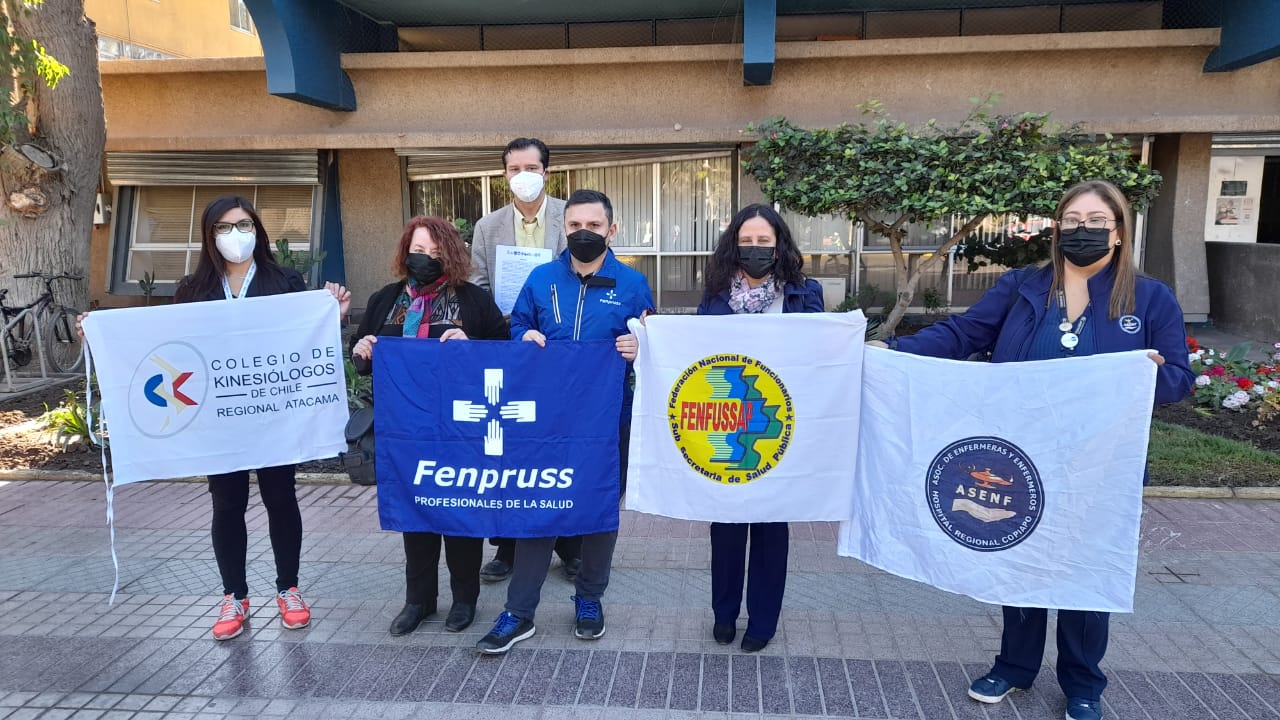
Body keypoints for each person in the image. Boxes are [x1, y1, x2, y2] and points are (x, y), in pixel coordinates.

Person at [876, 180, 1194, 720]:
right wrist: (891, 350)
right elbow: (965, 334)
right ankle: (1015, 667)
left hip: (1099, 463)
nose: (1083, 230)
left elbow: (1178, 379)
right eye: (1072, 220)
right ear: (1057, 228)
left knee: (1086, 570)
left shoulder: (1150, 298)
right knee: (1019, 558)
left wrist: (1151, 376)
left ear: (1119, 232)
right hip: (1024, 456)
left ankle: (1083, 683)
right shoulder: (1024, 287)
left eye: (1097, 222)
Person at [475, 189, 654, 654]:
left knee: (598, 511)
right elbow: (518, 326)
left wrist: (641, 348)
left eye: (593, 226)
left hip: (606, 420)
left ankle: (589, 598)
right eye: (575, 226)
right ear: (564, 228)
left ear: (611, 230)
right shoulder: (541, 279)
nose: (583, 233)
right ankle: (519, 611)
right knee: (539, 505)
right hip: (545, 420)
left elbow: (655, 346)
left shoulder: (633, 285)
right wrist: (524, 336)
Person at [176, 195, 350, 640]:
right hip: (222, 416)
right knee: (227, 504)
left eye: (244, 225)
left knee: (281, 497)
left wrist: (333, 315)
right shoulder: (192, 289)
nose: (235, 235)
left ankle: (288, 588)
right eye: (223, 227)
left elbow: (306, 340)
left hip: (275, 414)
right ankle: (234, 595)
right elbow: (172, 347)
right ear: (209, 235)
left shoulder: (285, 281)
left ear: (258, 230)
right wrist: (98, 333)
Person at [350, 216, 508, 636]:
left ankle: (464, 599)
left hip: (460, 429)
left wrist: (471, 347)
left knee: (460, 512)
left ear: (451, 256)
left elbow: (503, 351)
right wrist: (362, 349)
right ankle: (418, 600)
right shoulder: (385, 299)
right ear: (406, 252)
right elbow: (362, 356)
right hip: (405, 430)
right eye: (419, 251)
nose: (426, 259)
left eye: (436, 253)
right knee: (415, 513)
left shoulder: (473, 301)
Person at [696, 204, 824, 653]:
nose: (754, 249)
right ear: (734, 245)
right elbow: (696, 351)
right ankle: (724, 614)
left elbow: (819, 354)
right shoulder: (715, 294)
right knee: (726, 526)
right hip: (728, 422)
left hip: (778, 425)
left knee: (771, 529)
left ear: (779, 244)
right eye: (746, 241)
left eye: (763, 242)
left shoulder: (804, 293)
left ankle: (763, 621)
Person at [468, 137, 576, 584]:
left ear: (546, 172)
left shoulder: (571, 215)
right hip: (507, 347)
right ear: (504, 175)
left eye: (531, 167)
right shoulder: (487, 226)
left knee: (557, 446)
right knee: (508, 448)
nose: (523, 176)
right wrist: (503, 323)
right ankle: (508, 547)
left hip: (558, 349)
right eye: (514, 169)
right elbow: (476, 285)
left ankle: (569, 546)